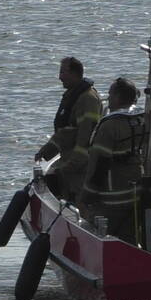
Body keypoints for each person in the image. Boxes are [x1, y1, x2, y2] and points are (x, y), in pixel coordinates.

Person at [80, 77, 151, 244]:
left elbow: (98, 164)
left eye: (110, 94)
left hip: (111, 195)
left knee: (104, 237)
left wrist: (87, 195)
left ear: (118, 97)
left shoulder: (109, 126)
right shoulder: (142, 119)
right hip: (135, 191)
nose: (108, 97)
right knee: (131, 237)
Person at [34, 57, 102, 202]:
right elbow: (66, 132)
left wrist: (73, 164)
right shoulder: (72, 95)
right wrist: (47, 151)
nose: (60, 77)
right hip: (68, 162)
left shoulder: (88, 99)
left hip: (80, 167)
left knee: (78, 200)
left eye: (63, 72)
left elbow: (86, 135)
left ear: (75, 73)